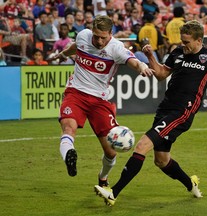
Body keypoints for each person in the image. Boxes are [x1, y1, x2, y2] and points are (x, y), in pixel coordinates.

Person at [95, 20, 207, 206]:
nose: (182, 45)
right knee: (161, 160)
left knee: (142, 145)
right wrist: (150, 56)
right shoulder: (177, 52)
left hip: (183, 111)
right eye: (181, 41)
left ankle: (113, 192)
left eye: (187, 42)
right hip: (165, 109)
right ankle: (191, 183)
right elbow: (161, 75)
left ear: (199, 40)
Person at [49, 15, 154, 188]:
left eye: (102, 37)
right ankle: (70, 156)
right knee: (68, 127)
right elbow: (76, 47)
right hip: (75, 93)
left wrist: (142, 67)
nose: (98, 41)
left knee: (111, 151)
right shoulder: (83, 35)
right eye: (95, 36)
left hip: (99, 100)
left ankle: (103, 177)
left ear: (110, 34)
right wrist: (62, 54)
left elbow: (133, 62)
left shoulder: (116, 48)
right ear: (91, 31)